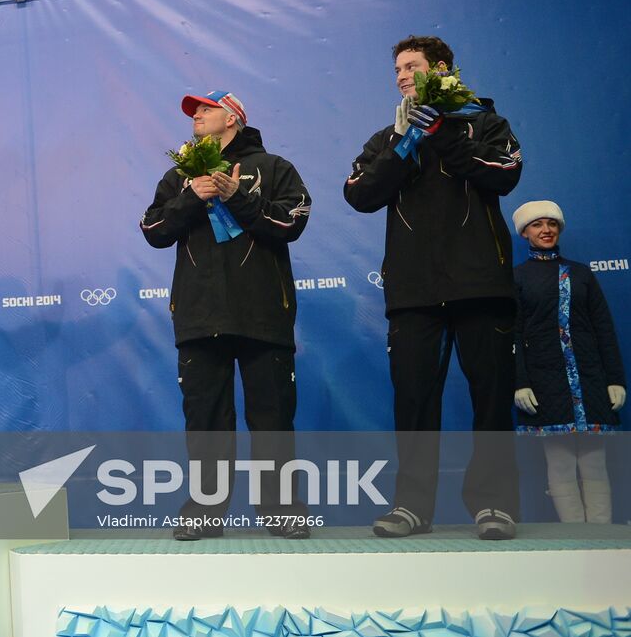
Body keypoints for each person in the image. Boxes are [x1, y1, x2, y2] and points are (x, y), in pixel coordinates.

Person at [344, 35, 523, 540]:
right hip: (414, 291)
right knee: (414, 401)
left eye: (411, 66)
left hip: (480, 284)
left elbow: (505, 174)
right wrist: (406, 144)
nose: (401, 75)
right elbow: (358, 194)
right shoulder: (389, 136)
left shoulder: (485, 123)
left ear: (440, 69)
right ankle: (412, 507)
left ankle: (494, 506)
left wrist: (444, 132)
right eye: (397, 68)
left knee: (491, 397)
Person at [140, 91, 312, 540]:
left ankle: (282, 511)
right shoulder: (179, 174)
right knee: (205, 421)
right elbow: (153, 230)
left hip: (263, 315)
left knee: (272, 418)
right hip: (199, 317)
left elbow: (293, 222)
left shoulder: (274, 168)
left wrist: (239, 197)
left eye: (206, 109)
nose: (196, 115)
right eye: (193, 111)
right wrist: (190, 198)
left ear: (232, 118)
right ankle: (204, 511)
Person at [511, 201, 625, 523]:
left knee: (595, 464)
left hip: (589, 381)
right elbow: (513, 335)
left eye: (551, 223)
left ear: (559, 228)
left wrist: (615, 379)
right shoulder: (517, 278)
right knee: (559, 464)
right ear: (525, 232)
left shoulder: (581, 273)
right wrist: (520, 382)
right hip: (546, 384)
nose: (545, 230)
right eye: (537, 225)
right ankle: (576, 538)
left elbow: (603, 328)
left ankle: (601, 541)